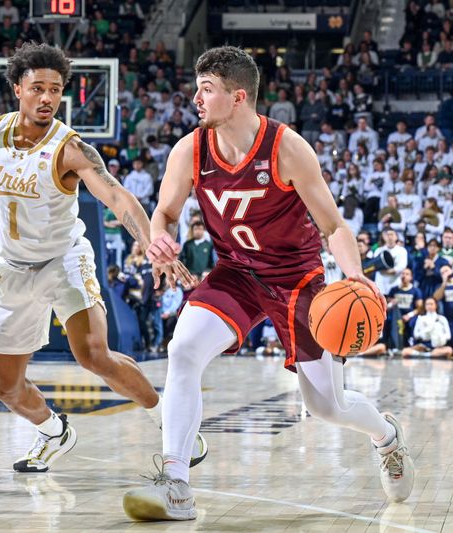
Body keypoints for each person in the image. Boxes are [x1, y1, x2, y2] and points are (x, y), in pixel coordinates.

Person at [123, 46, 414, 521]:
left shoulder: (287, 147)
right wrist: (159, 238)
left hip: (297, 280)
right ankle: (175, 482)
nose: (196, 98)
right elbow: (167, 213)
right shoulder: (190, 149)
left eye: (206, 89)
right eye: (197, 87)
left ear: (238, 97)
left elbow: (334, 226)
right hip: (235, 272)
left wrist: (355, 274)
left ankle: (385, 435)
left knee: (327, 406)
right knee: (183, 350)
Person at [0, 42, 204, 473]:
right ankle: (53, 431)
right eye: (38, 88)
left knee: (93, 354)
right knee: (5, 386)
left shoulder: (71, 148)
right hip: (11, 268)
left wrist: (151, 239)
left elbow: (116, 195)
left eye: (55, 89)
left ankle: (168, 420)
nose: (47, 98)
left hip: (62, 258)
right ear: (17, 89)